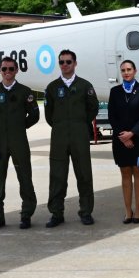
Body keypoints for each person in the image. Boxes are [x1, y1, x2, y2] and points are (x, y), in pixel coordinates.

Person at [0, 57, 40, 231]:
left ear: (16, 70)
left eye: (11, 69)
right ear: (0, 70)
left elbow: (34, 115)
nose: (7, 72)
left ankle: (26, 215)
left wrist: (20, 127)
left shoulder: (25, 92)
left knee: (25, 177)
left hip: (19, 142)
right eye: (4, 69)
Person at [44, 49, 99, 227]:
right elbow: (49, 114)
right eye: (62, 62)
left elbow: (93, 108)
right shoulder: (52, 87)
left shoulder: (85, 86)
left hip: (79, 136)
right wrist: (60, 126)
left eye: (68, 62)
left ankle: (86, 212)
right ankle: (56, 213)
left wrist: (80, 123)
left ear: (75, 63)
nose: (65, 65)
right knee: (57, 176)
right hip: (59, 137)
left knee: (84, 174)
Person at [108, 59, 139, 224]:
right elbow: (112, 116)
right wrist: (123, 136)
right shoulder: (115, 91)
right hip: (121, 140)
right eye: (123, 70)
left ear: (135, 71)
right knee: (125, 174)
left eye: (129, 69)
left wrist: (132, 134)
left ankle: (138, 210)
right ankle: (128, 210)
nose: (126, 73)